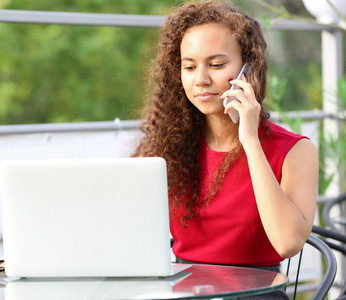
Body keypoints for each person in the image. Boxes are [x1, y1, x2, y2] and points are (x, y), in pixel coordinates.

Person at [132, 0, 318, 296]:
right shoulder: (169, 147)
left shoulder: (295, 150)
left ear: (249, 69)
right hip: (183, 292)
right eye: (189, 67)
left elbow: (287, 242)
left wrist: (250, 141)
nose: (201, 80)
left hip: (257, 294)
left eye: (216, 65)